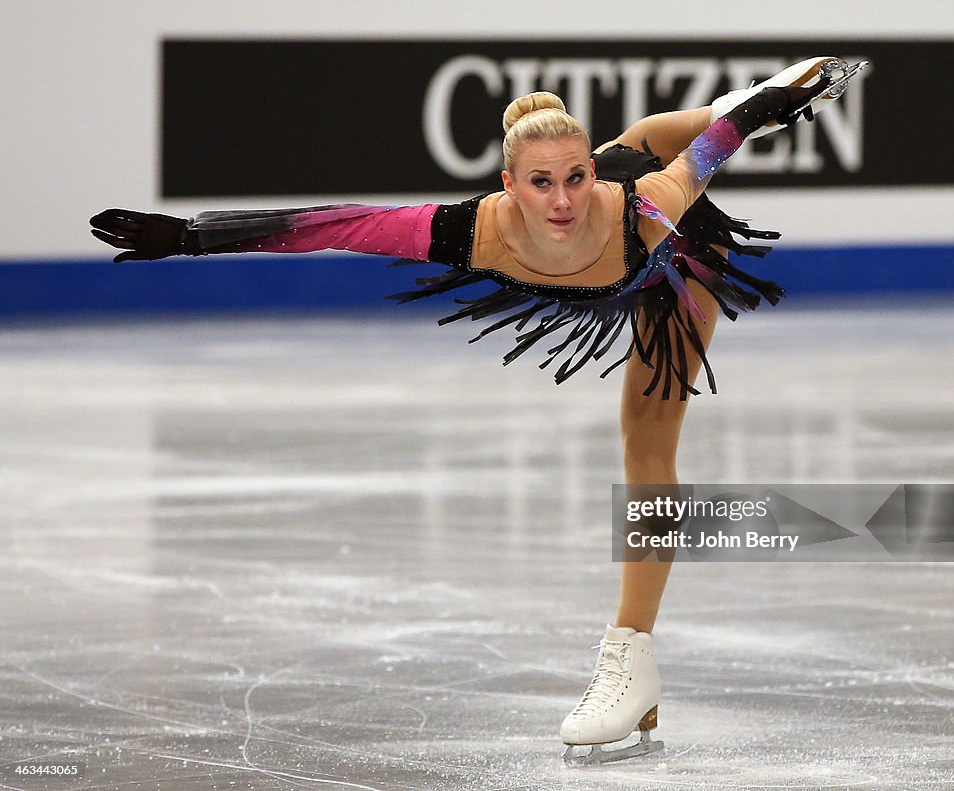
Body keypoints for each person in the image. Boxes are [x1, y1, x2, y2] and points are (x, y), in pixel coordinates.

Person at [90, 56, 866, 766]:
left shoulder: (647, 207)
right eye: (539, 183)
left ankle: (630, 656)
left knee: (647, 435)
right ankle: (736, 97)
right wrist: (192, 235)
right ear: (505, 186)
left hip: (670, 255)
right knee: (650, 140)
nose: (560, 201)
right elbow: (336, 225)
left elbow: (718, 147)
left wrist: (771, 103)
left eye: (572, 178)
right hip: (618, 194)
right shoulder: (468, 231)